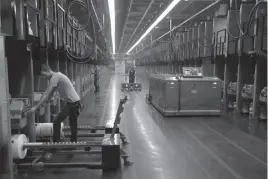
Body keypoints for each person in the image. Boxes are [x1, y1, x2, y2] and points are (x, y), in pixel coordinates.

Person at [27, 64, 81, 143]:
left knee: (57, 121)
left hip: (72, 103)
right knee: (72, 123)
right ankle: (73, 141)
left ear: (47, 71)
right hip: (74, 102)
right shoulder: (57, 76)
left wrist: (35, 107)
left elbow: (46, 93)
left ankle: (57, 142)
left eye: (44, 75)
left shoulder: (55, 77)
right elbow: (51, 93)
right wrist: (47, 101)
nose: (45, 78)